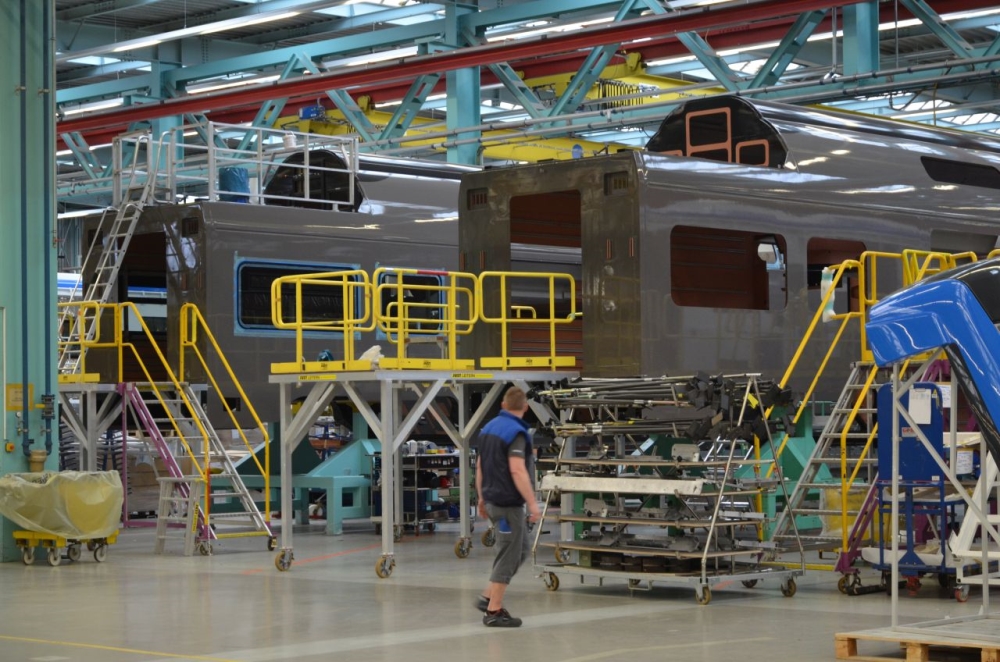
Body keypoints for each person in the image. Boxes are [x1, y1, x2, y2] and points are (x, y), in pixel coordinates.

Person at [475, 386, 541, 628]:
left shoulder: (488, 429)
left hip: (493, 501)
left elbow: (480, 466)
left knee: (521, 550)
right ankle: (494, 610)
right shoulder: (516, 432)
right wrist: (533, 503)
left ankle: (487, 596)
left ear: (503, 405)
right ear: (525, 407)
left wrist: (481, 498)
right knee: (508, 554)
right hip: (507, 505)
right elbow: (517, 470)